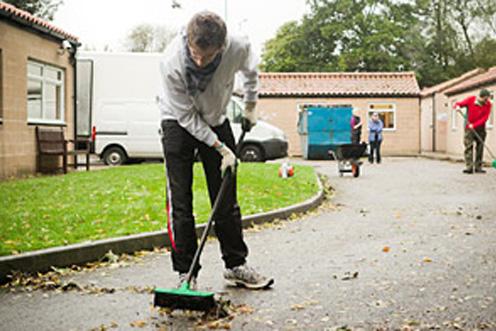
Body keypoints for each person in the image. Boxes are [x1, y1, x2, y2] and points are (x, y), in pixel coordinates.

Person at [157, 11, 274, 290]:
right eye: (195, 54)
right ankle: (186, 273)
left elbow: (251, 73)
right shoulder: (171, 61)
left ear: (221, 47)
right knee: (180, 201)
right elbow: (187, 119)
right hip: (177, 121)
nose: (199, 61)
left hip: (217, 118)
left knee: (225, 197)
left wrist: (250, 105)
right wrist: (221, 148)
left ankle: (235, 266)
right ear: (188, 40)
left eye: (206, 57)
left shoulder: (238, 47)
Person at [454, 89, 492, 174]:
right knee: (468, 146)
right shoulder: (471, 100)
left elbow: (485, 118)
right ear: (480, 97)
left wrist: (474, 125)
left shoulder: (488, 104)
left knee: (480, 147)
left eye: (487, 99)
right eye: (485, 99)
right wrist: (457, 107)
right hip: (468, 128)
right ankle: (469, 167)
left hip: (480, 128)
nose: (486, 101)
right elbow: (459, 104)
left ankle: (478, 167)